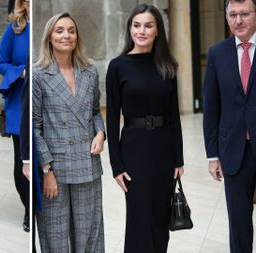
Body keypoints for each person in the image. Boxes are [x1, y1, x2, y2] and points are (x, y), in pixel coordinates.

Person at [106, 4, 184, 253]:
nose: (142, 31)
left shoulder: (168, 65)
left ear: (157, 30)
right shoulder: (118, 66)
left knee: (161, 220)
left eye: (148, 25)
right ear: (130, 29)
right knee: (139, 220)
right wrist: (116, 165)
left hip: (163, 151)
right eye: (136, 25)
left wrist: (178, 159)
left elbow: (174, 116)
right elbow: (111, 120)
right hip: (134, 152)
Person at [33, 12, 106, 252]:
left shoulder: (90, 71)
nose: (67, 35)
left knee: (89, 234)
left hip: (87, 163)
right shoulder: (39, 75)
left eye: (71, 31)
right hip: (56, 168)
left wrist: (100, 133)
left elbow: (95, 111)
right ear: (49, 37)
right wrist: (47, 170)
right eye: (60, 30)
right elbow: (35, 127)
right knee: (55, 235)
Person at [203, 0, 256, 251]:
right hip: (233, 151)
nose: (238, 21)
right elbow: (211, 108)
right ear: (226, 17)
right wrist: (212, 155)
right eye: (233, 14)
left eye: (244, 14)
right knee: (238, 223)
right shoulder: (216, 53)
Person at [0, 0, 30, 232]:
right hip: (20, 100)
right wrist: (21, 72)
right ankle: (29, 208)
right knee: (22, 159)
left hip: (47, 100)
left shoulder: (51, 26)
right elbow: (0, 63)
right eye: (26, 0)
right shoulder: (15, 28)